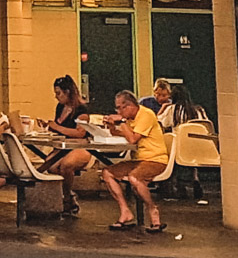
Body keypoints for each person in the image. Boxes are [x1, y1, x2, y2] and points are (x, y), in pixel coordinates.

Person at [101, 90, 170, 233]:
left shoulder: (146, 115)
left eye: (120, 108)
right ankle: (125, 210)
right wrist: (112, 126)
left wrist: (122, 121)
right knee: (107, 173)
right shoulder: (129, 120)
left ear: (130, 106)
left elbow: (132, 139)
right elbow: (119, 134)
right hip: (138, 159)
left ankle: (153, 210)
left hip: (155, 159)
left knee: (134, 178)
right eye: (117, 109)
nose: (119, 111)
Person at [41, 75, 92, 217]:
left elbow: (80, 133)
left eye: (58, 93)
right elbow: (59, 126)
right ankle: (67, 193)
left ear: (67, 92)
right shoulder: (60, 107)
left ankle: (67, 196)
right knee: (50, 165)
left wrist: (57, 127)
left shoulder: (81, 110)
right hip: (64, 146)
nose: (57, 97)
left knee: (66, 165)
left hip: (79, 146)